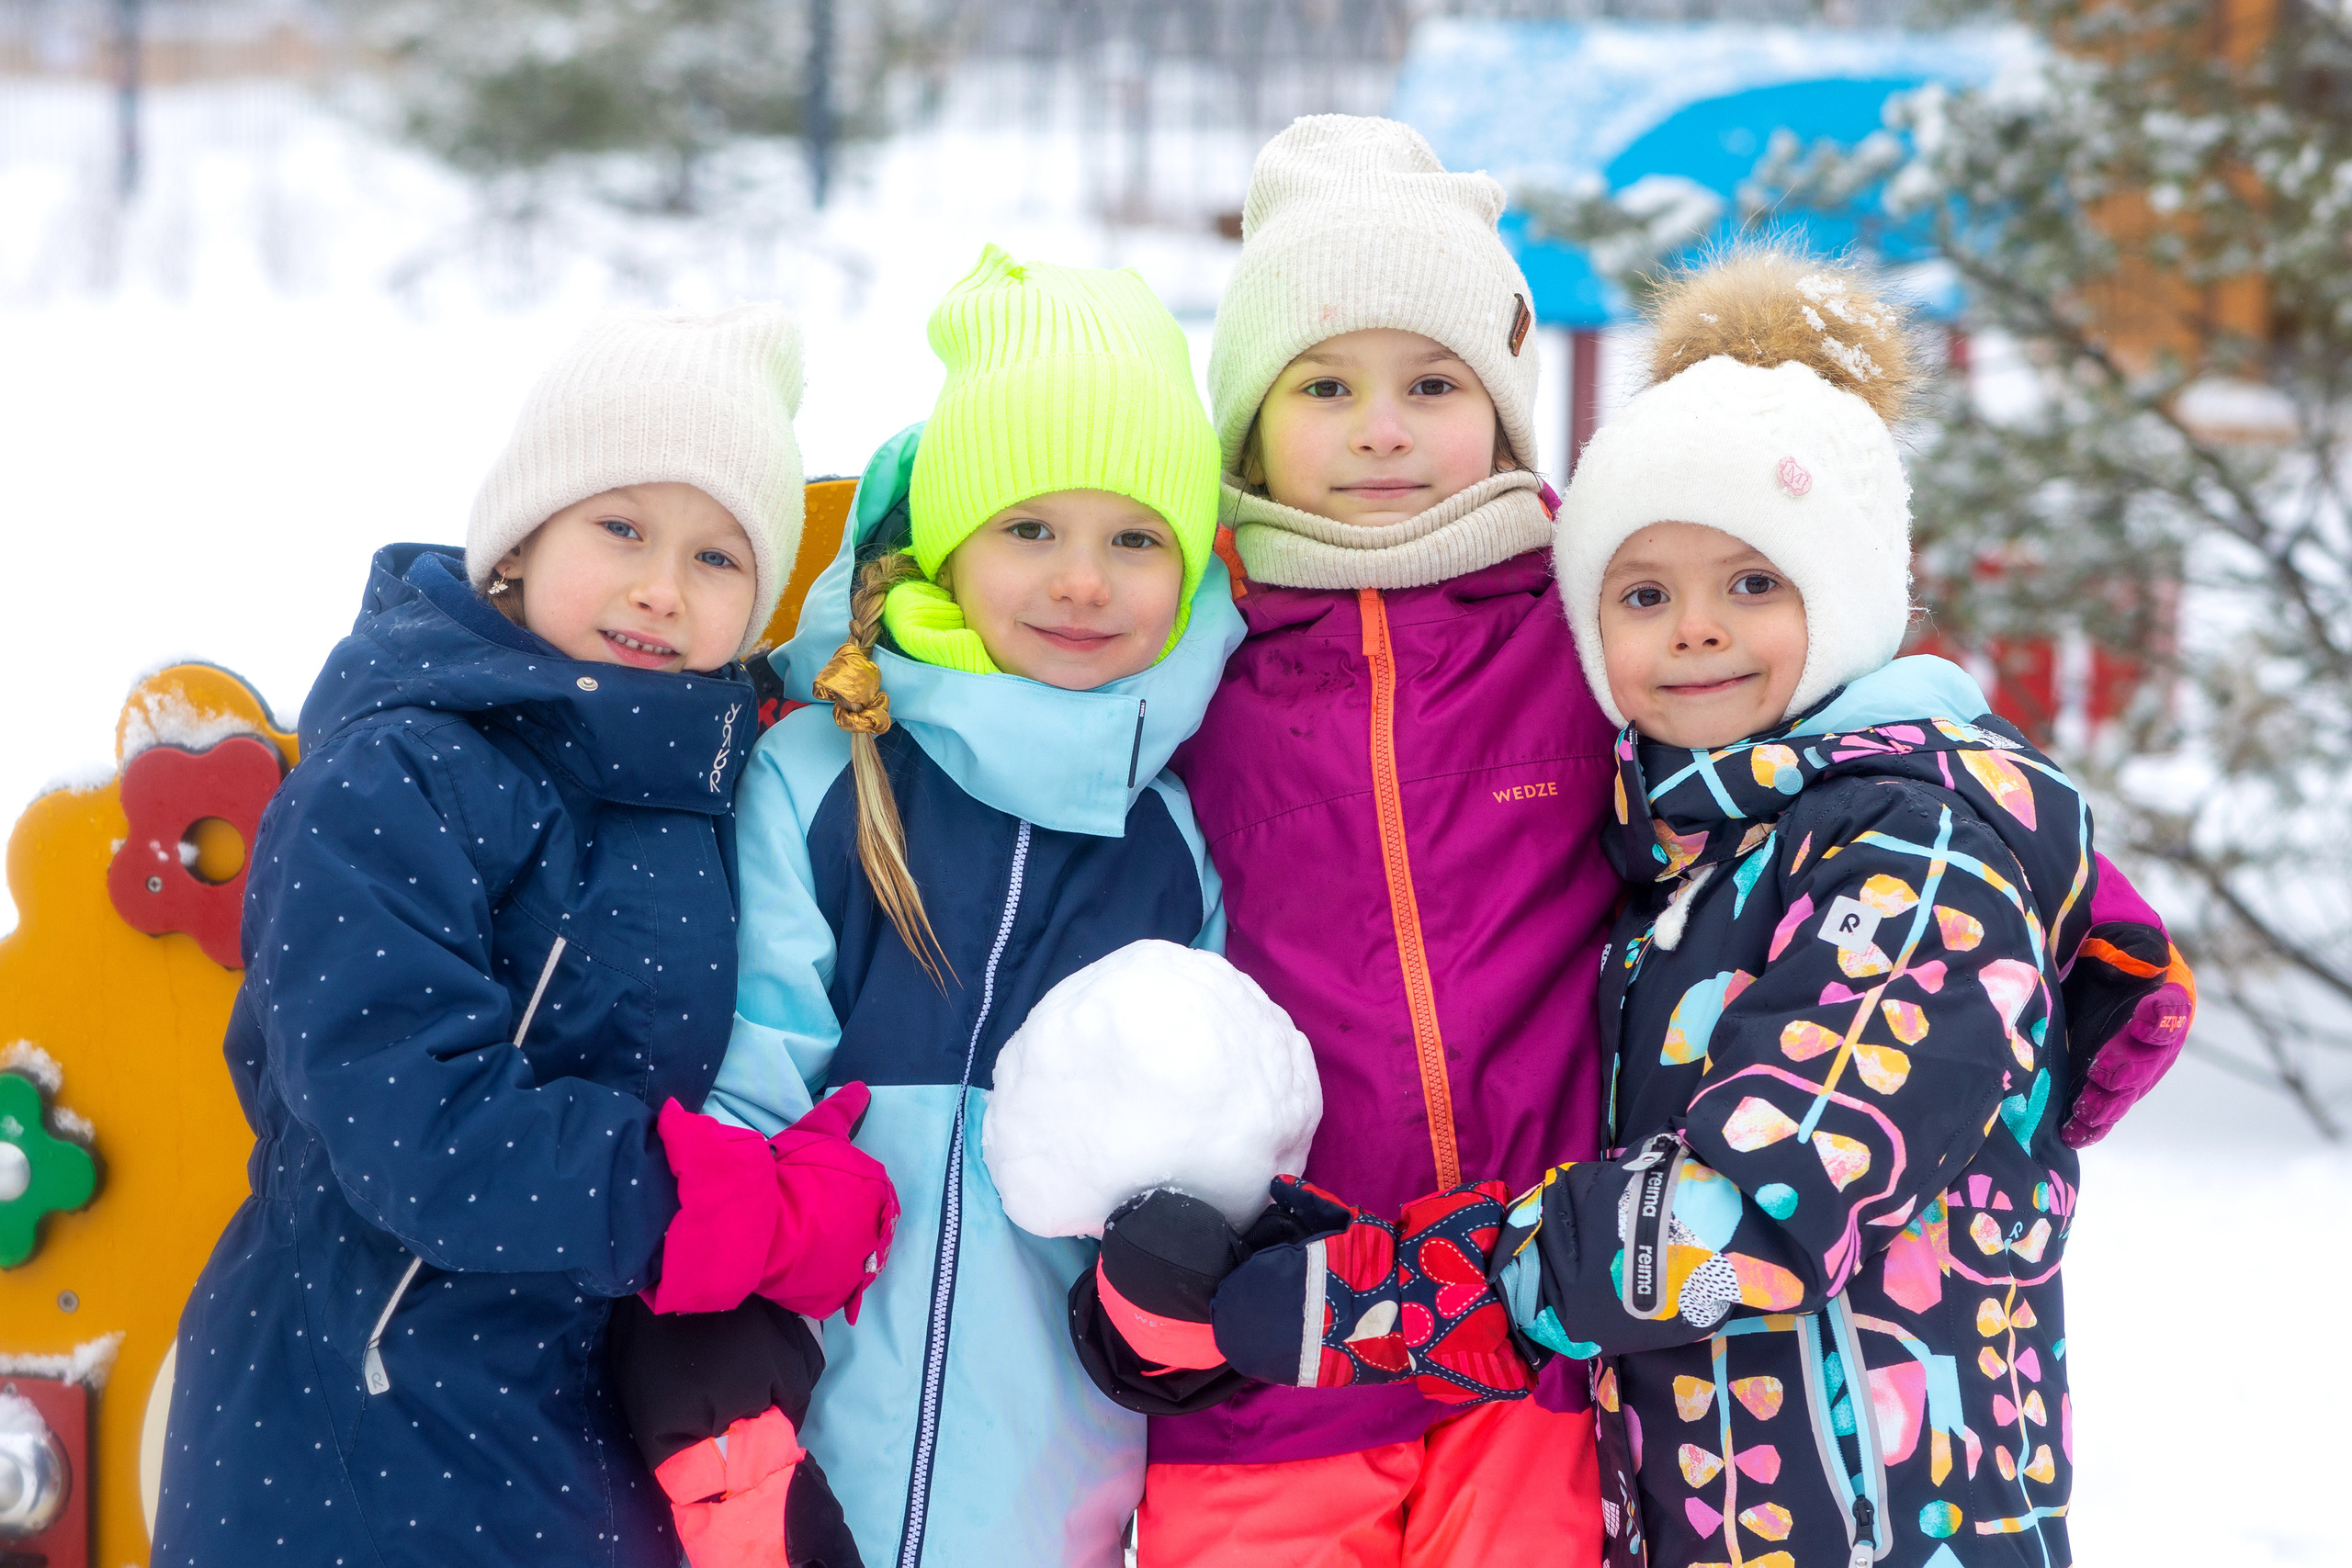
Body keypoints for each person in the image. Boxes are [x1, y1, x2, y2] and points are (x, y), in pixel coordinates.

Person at [153, 308, 895, 1567]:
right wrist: (735, 1212)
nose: (662, 586)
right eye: (622, 528)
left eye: (719, 559)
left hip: (582, 1438)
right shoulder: (394, 778)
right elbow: (417, 1124)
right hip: (361, 1433)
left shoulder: (717, 784)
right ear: (518, 542)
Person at [1489, 247, 2192, 1567]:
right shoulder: (1691, 855)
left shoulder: (1917, 852)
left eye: (1754, 581)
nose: (1695, 630)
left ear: (1855, 596)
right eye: (1645, 594)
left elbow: (1757, 1211)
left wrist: (1391, 1293)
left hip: (1900, 1528)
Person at [1069, 114, 1615, 1567]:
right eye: (1327, 384)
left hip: (1535, 1327)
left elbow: (1807, 706)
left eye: (1433, 382)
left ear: (1499, 411)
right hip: (1274, 1328)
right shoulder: (1182, 646)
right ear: (1248, 421)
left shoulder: (1592, 616)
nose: (1384, 425)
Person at [707, 244, 1245, 1567]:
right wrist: (721, 1400)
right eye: (1029, 530)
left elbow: (1200, 1159)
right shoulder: (826, 772)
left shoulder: (1170, 843)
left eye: (1135, 540)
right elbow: (748, 1088)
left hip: (1045, 1484)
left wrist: (1163, 1302)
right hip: (791, 1444)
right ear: (948, 546)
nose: (1081, 580)